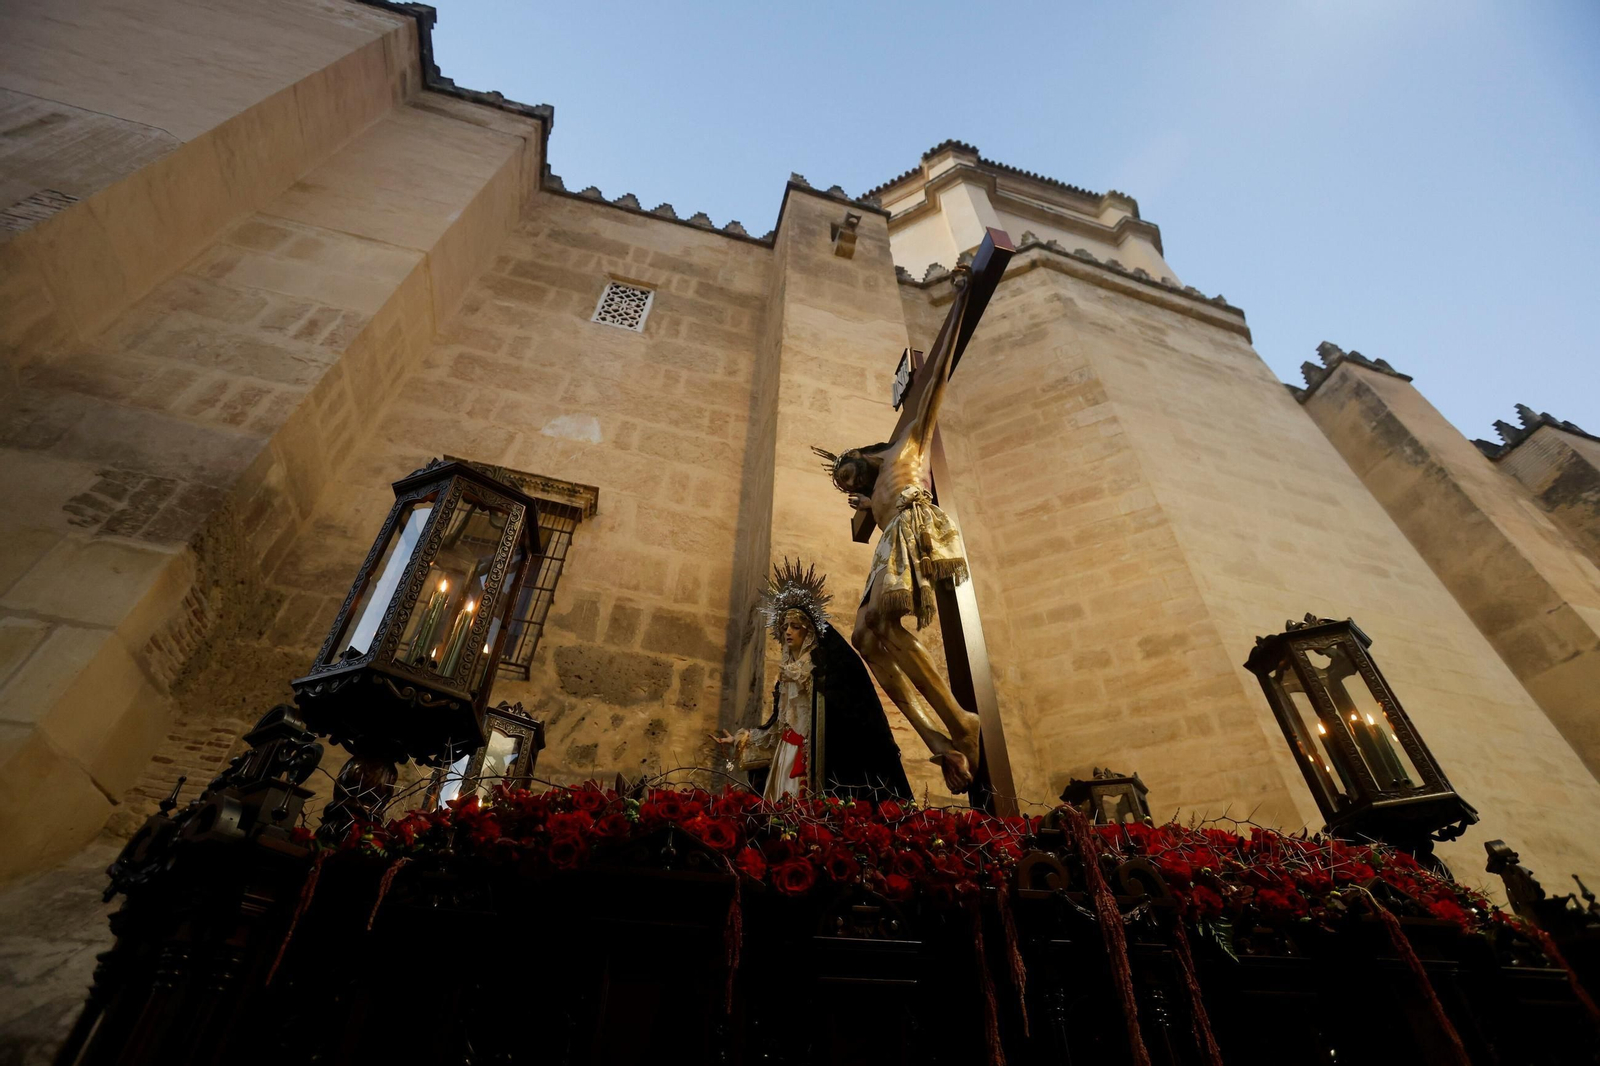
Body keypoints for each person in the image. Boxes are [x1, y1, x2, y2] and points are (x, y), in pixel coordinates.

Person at [810, 267, 982, 793]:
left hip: (912, 529)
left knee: (884, 626)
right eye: (846, 486)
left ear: (861, 456)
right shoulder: (875, 493)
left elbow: (937, 381)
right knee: (864, 636)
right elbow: (873, 503)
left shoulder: (906, 445)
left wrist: (961, 300)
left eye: (848, 475)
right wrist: (868, 504)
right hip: (889, 542)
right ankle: (939, 739)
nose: (849, 486)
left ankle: (962, 719)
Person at [714, 561, 910, 802]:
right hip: (785, 757)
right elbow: (779, 726)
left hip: (816, 757)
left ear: (808, 631)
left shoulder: (825, 672)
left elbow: (850, 719)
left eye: (795, 627)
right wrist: (741, 740)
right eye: (785, 626)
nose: (788, 632)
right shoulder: (787, 675)